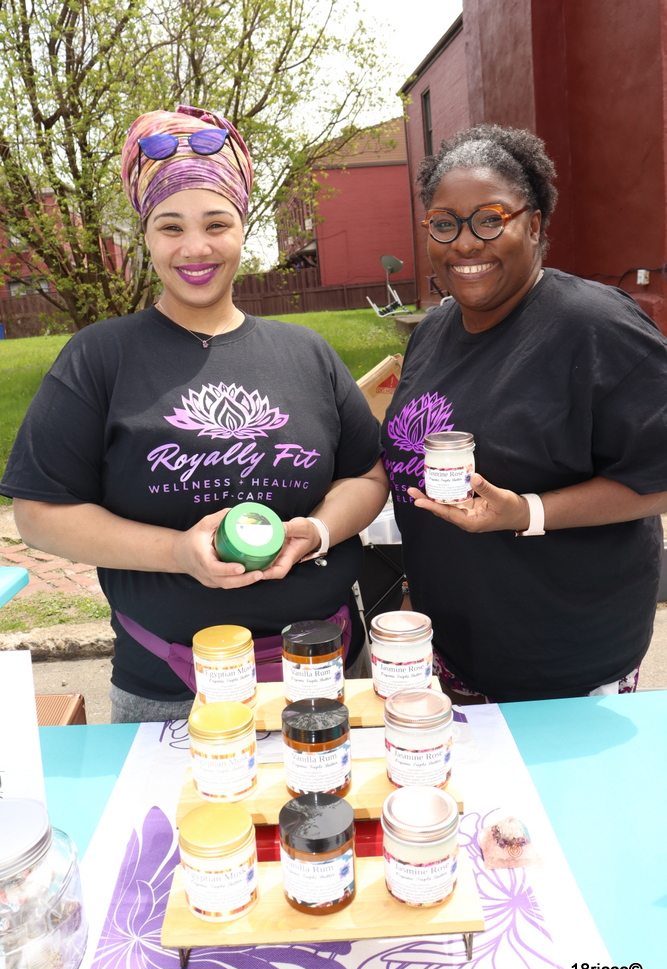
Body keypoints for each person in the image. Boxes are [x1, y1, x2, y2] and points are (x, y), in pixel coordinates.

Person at [1, 105, 388, 722]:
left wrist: (317, 532)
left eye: (216, 222)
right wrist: (178, 552)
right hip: (169, 691)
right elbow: (40, 515)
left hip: (326, 670)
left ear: (243, 227)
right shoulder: (101, 356)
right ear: (145, 236)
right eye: (170, 227)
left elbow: (367, 477)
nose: (196, 247)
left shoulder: (305, 353)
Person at [382, 123, 667, 703]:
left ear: (533, 224)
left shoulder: (593, 326)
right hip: (453, 655)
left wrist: (524, 511)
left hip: (564, 666)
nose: (464, 243)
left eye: (489, 219)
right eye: (444, 224)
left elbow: (657, 477)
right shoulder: (432, 331)